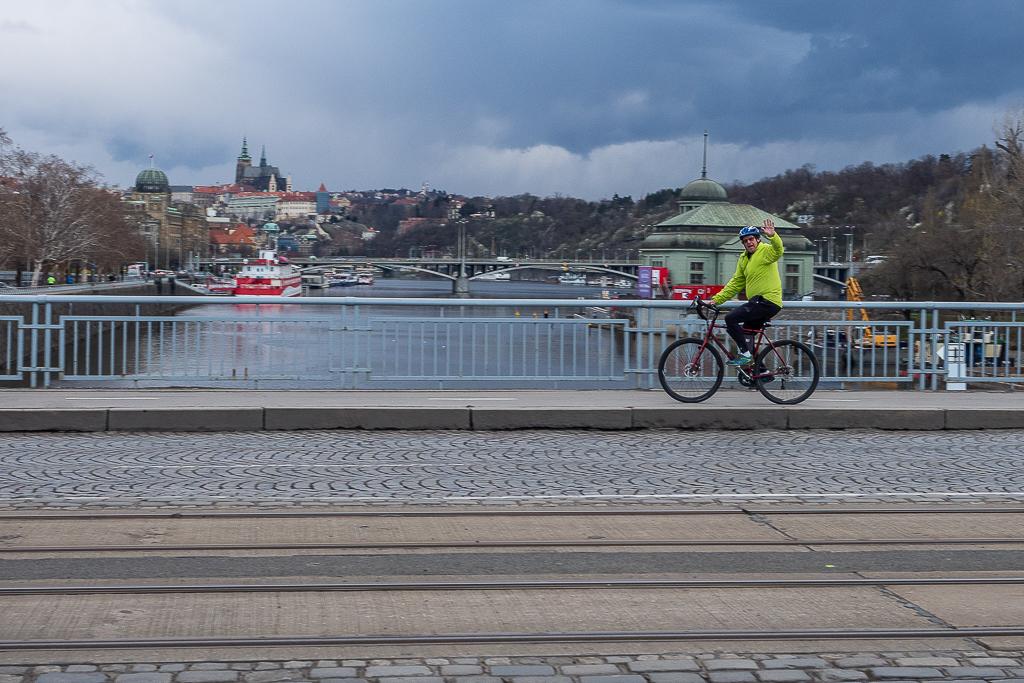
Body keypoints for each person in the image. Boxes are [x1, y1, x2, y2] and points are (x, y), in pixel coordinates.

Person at [711, 218, 784, 366]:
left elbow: (778, 250)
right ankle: (762, 372)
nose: (749, 242)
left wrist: (773, 236)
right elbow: (736, 283)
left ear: (757, 239)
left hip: (767, 301)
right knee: (745, 335)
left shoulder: (765, 251)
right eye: (745, 241)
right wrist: (715, 300)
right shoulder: (744, 258)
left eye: (751, 239)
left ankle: (744, 355)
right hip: (756, 303)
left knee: (730, 319)